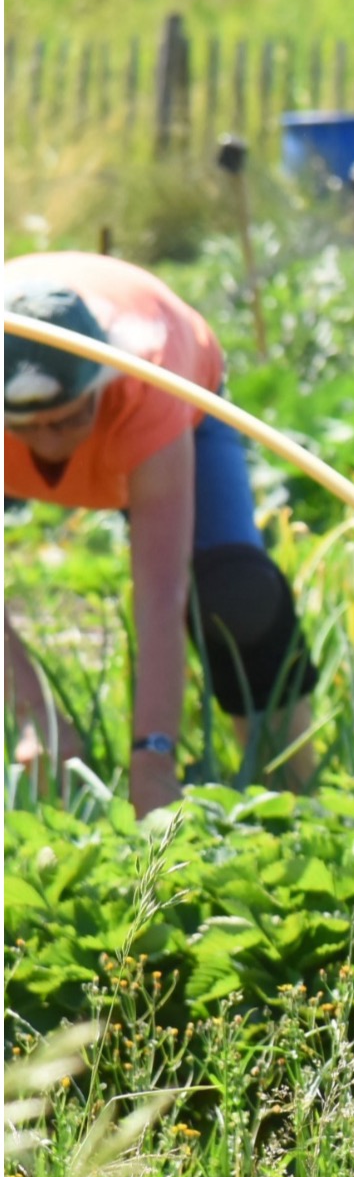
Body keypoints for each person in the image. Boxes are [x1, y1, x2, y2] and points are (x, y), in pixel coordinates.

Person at [4, 253, 318, 817]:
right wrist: (34, 712)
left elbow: (160, 592)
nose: (52, 445)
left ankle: (291, 794)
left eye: (71, 419)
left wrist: (153, 763)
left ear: (98, 387)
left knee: (237, 595)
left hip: (177, 400)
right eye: (31, 428)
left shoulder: (148, 381)